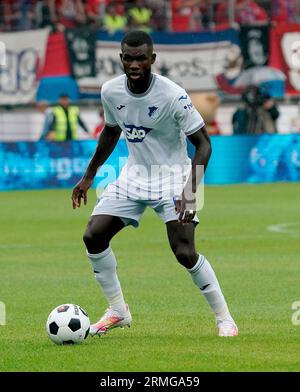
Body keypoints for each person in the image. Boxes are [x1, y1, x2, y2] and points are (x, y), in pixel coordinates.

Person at [72, 30, 238, 337]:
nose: (134, 65)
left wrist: (190, 193)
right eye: (128, 58)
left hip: (174, 177)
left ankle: (224, 318)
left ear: (152, 59)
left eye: (140, 58)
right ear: (120, 59)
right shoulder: (110, 91)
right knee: (93, 237)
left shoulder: (173, 95)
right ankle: (118, 311)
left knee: (184, 251)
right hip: (134, 175)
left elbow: (203, 144)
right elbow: (110, 132)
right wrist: (89, 174)